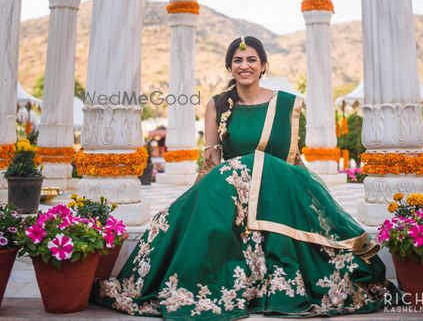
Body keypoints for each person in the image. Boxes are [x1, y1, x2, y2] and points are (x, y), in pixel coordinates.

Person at [95, 36, 393, 319]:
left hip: (277, 189)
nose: (244, 65)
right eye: (237, 60)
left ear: (264, 65)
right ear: (230, 67)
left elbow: (292, 159)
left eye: (252, 59)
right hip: (232, 190)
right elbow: (212, 162)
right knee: (206, 197)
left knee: (247, 167)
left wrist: (312, 199)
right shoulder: (217, 105)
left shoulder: (287, 104)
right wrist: (193, 200)